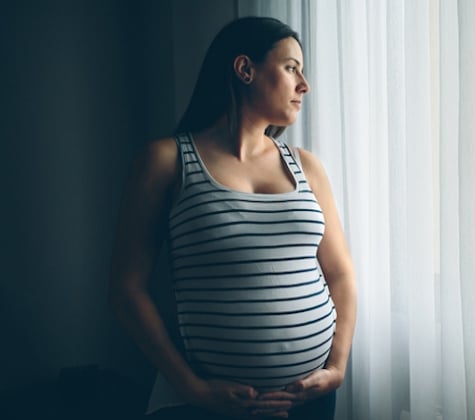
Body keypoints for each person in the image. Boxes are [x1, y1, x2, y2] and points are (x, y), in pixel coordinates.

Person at [109, 17, 356, 420]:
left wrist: (337, 368)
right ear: (245, 69)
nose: (304, 85)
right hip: (209, 405)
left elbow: (341, 274)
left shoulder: (306, 166)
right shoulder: (167, 162)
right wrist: (193, 388)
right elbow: (126, 290)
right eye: (292, 67)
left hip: (309, 399)